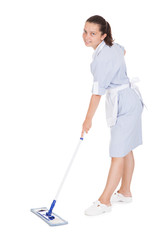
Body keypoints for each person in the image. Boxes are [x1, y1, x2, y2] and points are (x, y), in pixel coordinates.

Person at [81, 15, 144, 216]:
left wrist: (87, 119)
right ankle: (125, 192)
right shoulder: (112, 46)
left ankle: (104, 201)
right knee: (125, 149)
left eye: (92, 33)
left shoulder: (102, 59)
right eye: (85, 31)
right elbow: (123, 50)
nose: (86, 37)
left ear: (103, 35)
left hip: (124, 103)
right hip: (129, 100)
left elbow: (97, 93)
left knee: (117, 153)